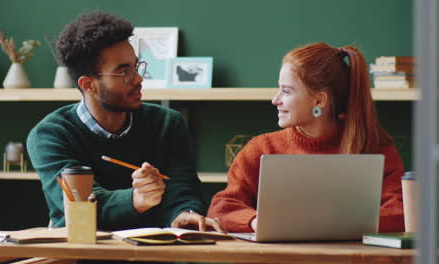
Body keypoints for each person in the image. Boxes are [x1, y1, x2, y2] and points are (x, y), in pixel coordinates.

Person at [27, 11, 223, 232]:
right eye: (124, 73)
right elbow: (80, 207)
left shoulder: (168, 123)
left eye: (136, 67)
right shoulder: (50, 135)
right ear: (88, 85)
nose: (138, 79)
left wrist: (184, 213)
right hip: (84, 253)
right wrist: (136, 199)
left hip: (153, 252)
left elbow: (182, 187)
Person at [207, 42, 404, 233]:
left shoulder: (375, 148)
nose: (275, 100)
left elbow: (401, 213)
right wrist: (258, 222)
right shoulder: (261, 148)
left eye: (286, 91)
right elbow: (222, 207)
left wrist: (326, 223)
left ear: (319, 100)